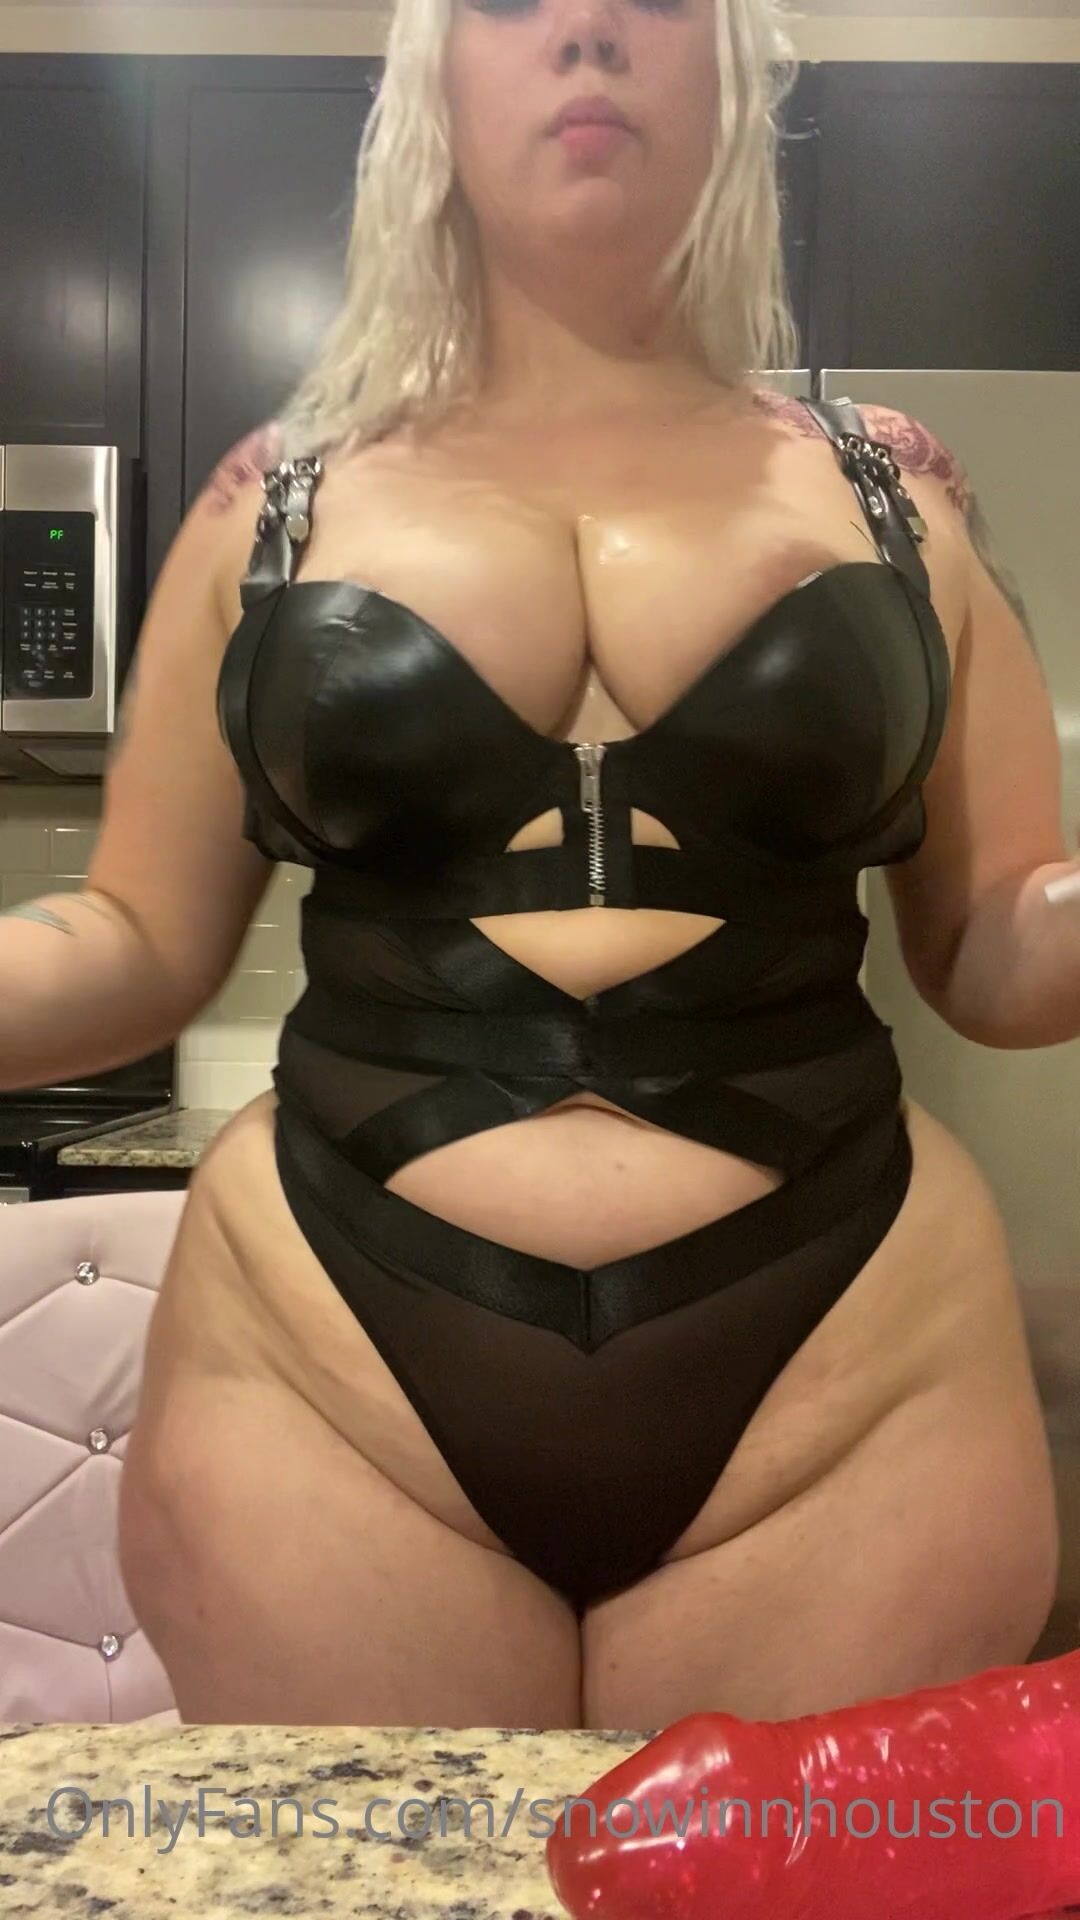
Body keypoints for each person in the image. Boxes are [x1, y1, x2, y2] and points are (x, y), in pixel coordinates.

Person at [3, 0, 1075, 1732]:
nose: (586, 29)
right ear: (434, 75)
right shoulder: (269, 506)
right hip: (327, 1365)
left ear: (735, 70)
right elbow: (134, 934)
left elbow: (1007, 948)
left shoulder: (893, 501)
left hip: (851, 1361)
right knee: (373, 1869)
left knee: (793, 1880)